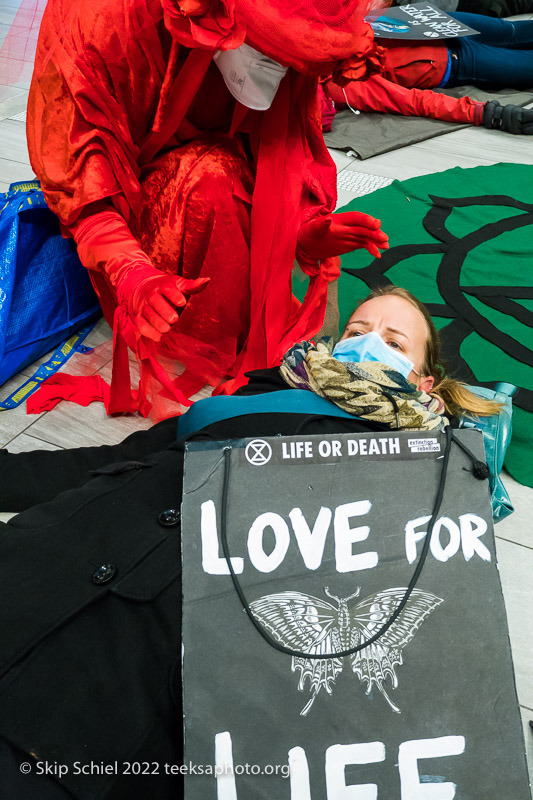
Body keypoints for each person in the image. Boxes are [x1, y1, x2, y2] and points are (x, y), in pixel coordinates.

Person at [0, 285, 499, 799]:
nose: (368, 344)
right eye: (356, 331)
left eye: (394, 343)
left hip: (140, 667)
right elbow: (108, 462)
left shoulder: (429, 469)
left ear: (426, 383)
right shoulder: (256, 394)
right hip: (47, 569)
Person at [26, 0, 389, 420]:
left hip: (213, 157)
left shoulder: (289, 40)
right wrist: (128, 267)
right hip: (134, 189)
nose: (280, 69)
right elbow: (75, 151)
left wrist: (305, 227)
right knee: (213, 182)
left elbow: (284, 140)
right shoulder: (103, 19)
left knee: (220, 177)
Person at [322, 13, 533, 134]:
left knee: (513, 30)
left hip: (436, 23)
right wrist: (483, 113)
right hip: (457, 61)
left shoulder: (313, 27)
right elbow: (408, 100)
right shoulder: (334, 83)